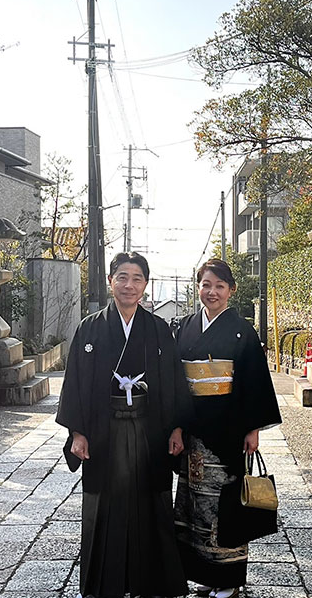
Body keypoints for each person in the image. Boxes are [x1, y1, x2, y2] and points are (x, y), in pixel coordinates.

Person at [56, 251, 192, 598]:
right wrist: (77, 432)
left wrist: (176, 428)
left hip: (149, 431)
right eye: (122, 277)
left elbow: (174, 381)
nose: (129, 285)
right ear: (110, 282)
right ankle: (106, 583)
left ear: (145, 285)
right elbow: (75, 381)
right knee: (106, 505)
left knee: (151, 502)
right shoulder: (90, 327)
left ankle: (153, 581)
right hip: (105, 431)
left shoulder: (158, 329)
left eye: (136, 278)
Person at [174, 258, 282, 598]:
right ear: (198, 287)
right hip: (193, 430)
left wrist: (253, 427)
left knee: (225, 504)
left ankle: (230, 578)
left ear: (230, 290)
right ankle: (206, 575)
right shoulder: (185, 326)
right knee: (193, 505)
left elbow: (254, 381)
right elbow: (176, 383)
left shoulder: (241, 330)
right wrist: (176, 426)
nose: (212, 292)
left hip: (228, 429)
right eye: (206, 284)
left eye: (219, 286)